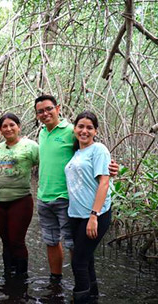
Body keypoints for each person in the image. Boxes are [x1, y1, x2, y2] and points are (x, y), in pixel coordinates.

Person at [34, 95, 118, 283]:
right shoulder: (42, 133)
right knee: (51, 241)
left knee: (76, 247)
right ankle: (55, 282)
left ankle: (80, 284)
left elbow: (91, 150)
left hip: (67, 198)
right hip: (43, 197)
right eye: (40, 111)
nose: (45, 113)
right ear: (37, 115)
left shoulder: (72, 131)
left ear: (58, 108)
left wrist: (112, 168)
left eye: (49, 109)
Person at [65, 111, 112, 303]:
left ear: (95, 131)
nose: (84, 131)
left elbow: (104, 183)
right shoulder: (77, 152)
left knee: (78, 262)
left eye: (89, 127)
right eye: (80, 126)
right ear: (74, 129)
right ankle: (93, 297)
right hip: (75, 215)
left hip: (94, 215)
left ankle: (81, 299)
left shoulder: (99, 149)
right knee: (87, 259)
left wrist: (94, 215)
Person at [0, 113, 38, 276]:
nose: (9, 128)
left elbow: (46, 164)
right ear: (0, 130)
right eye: (4, 126)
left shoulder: (30, 146)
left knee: (17, 241)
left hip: (21, 200)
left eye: (12, 125)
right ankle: (7, 276)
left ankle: (21, 279)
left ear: (19, 127)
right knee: (5, 241)